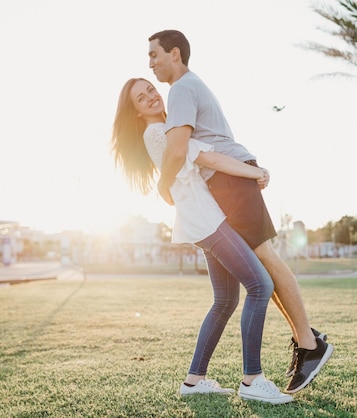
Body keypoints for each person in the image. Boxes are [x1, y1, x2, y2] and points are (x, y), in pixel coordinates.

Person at [147, 29, 333, 394]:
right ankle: (306, 340)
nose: (151, 63)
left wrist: (162, 187)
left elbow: (177, 149)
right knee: (259, 270)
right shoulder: (186, 87)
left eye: (154, 55)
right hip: (225, 183)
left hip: (229, 182)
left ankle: (310, 345)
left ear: (174, 54)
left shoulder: (181, 88)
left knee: (267, 260)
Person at [112, 77, 294, 404]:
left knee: (225, 300)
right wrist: (256, 172)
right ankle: (252, 379)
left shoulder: (170, 128)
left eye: (151, 89)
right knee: (260, 285)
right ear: (137, 112)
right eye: (142, 98)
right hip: (208, 221)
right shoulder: (158, 133)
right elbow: (209, 159)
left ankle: (194, 380)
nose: (152, 97)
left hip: (202, 220)